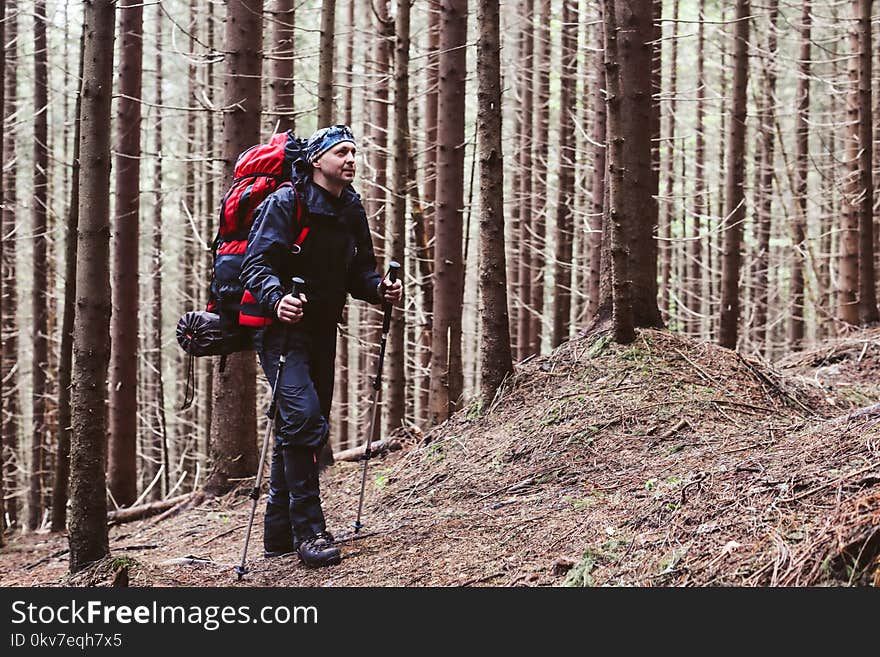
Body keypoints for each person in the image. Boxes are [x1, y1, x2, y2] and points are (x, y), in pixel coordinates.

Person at [241, 125, 402, 567]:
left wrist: (380, 289)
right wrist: (278, 300)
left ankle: (277, 534)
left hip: (322, 329)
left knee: (299, 426)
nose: (351, 159)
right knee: (305, 420)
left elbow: (360, 273)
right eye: (341, 152)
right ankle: (311, 533)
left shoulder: (351, 207)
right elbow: (256, 263)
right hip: (280, 332)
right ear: (317, 160)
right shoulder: (285, 202)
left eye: (354, 152)